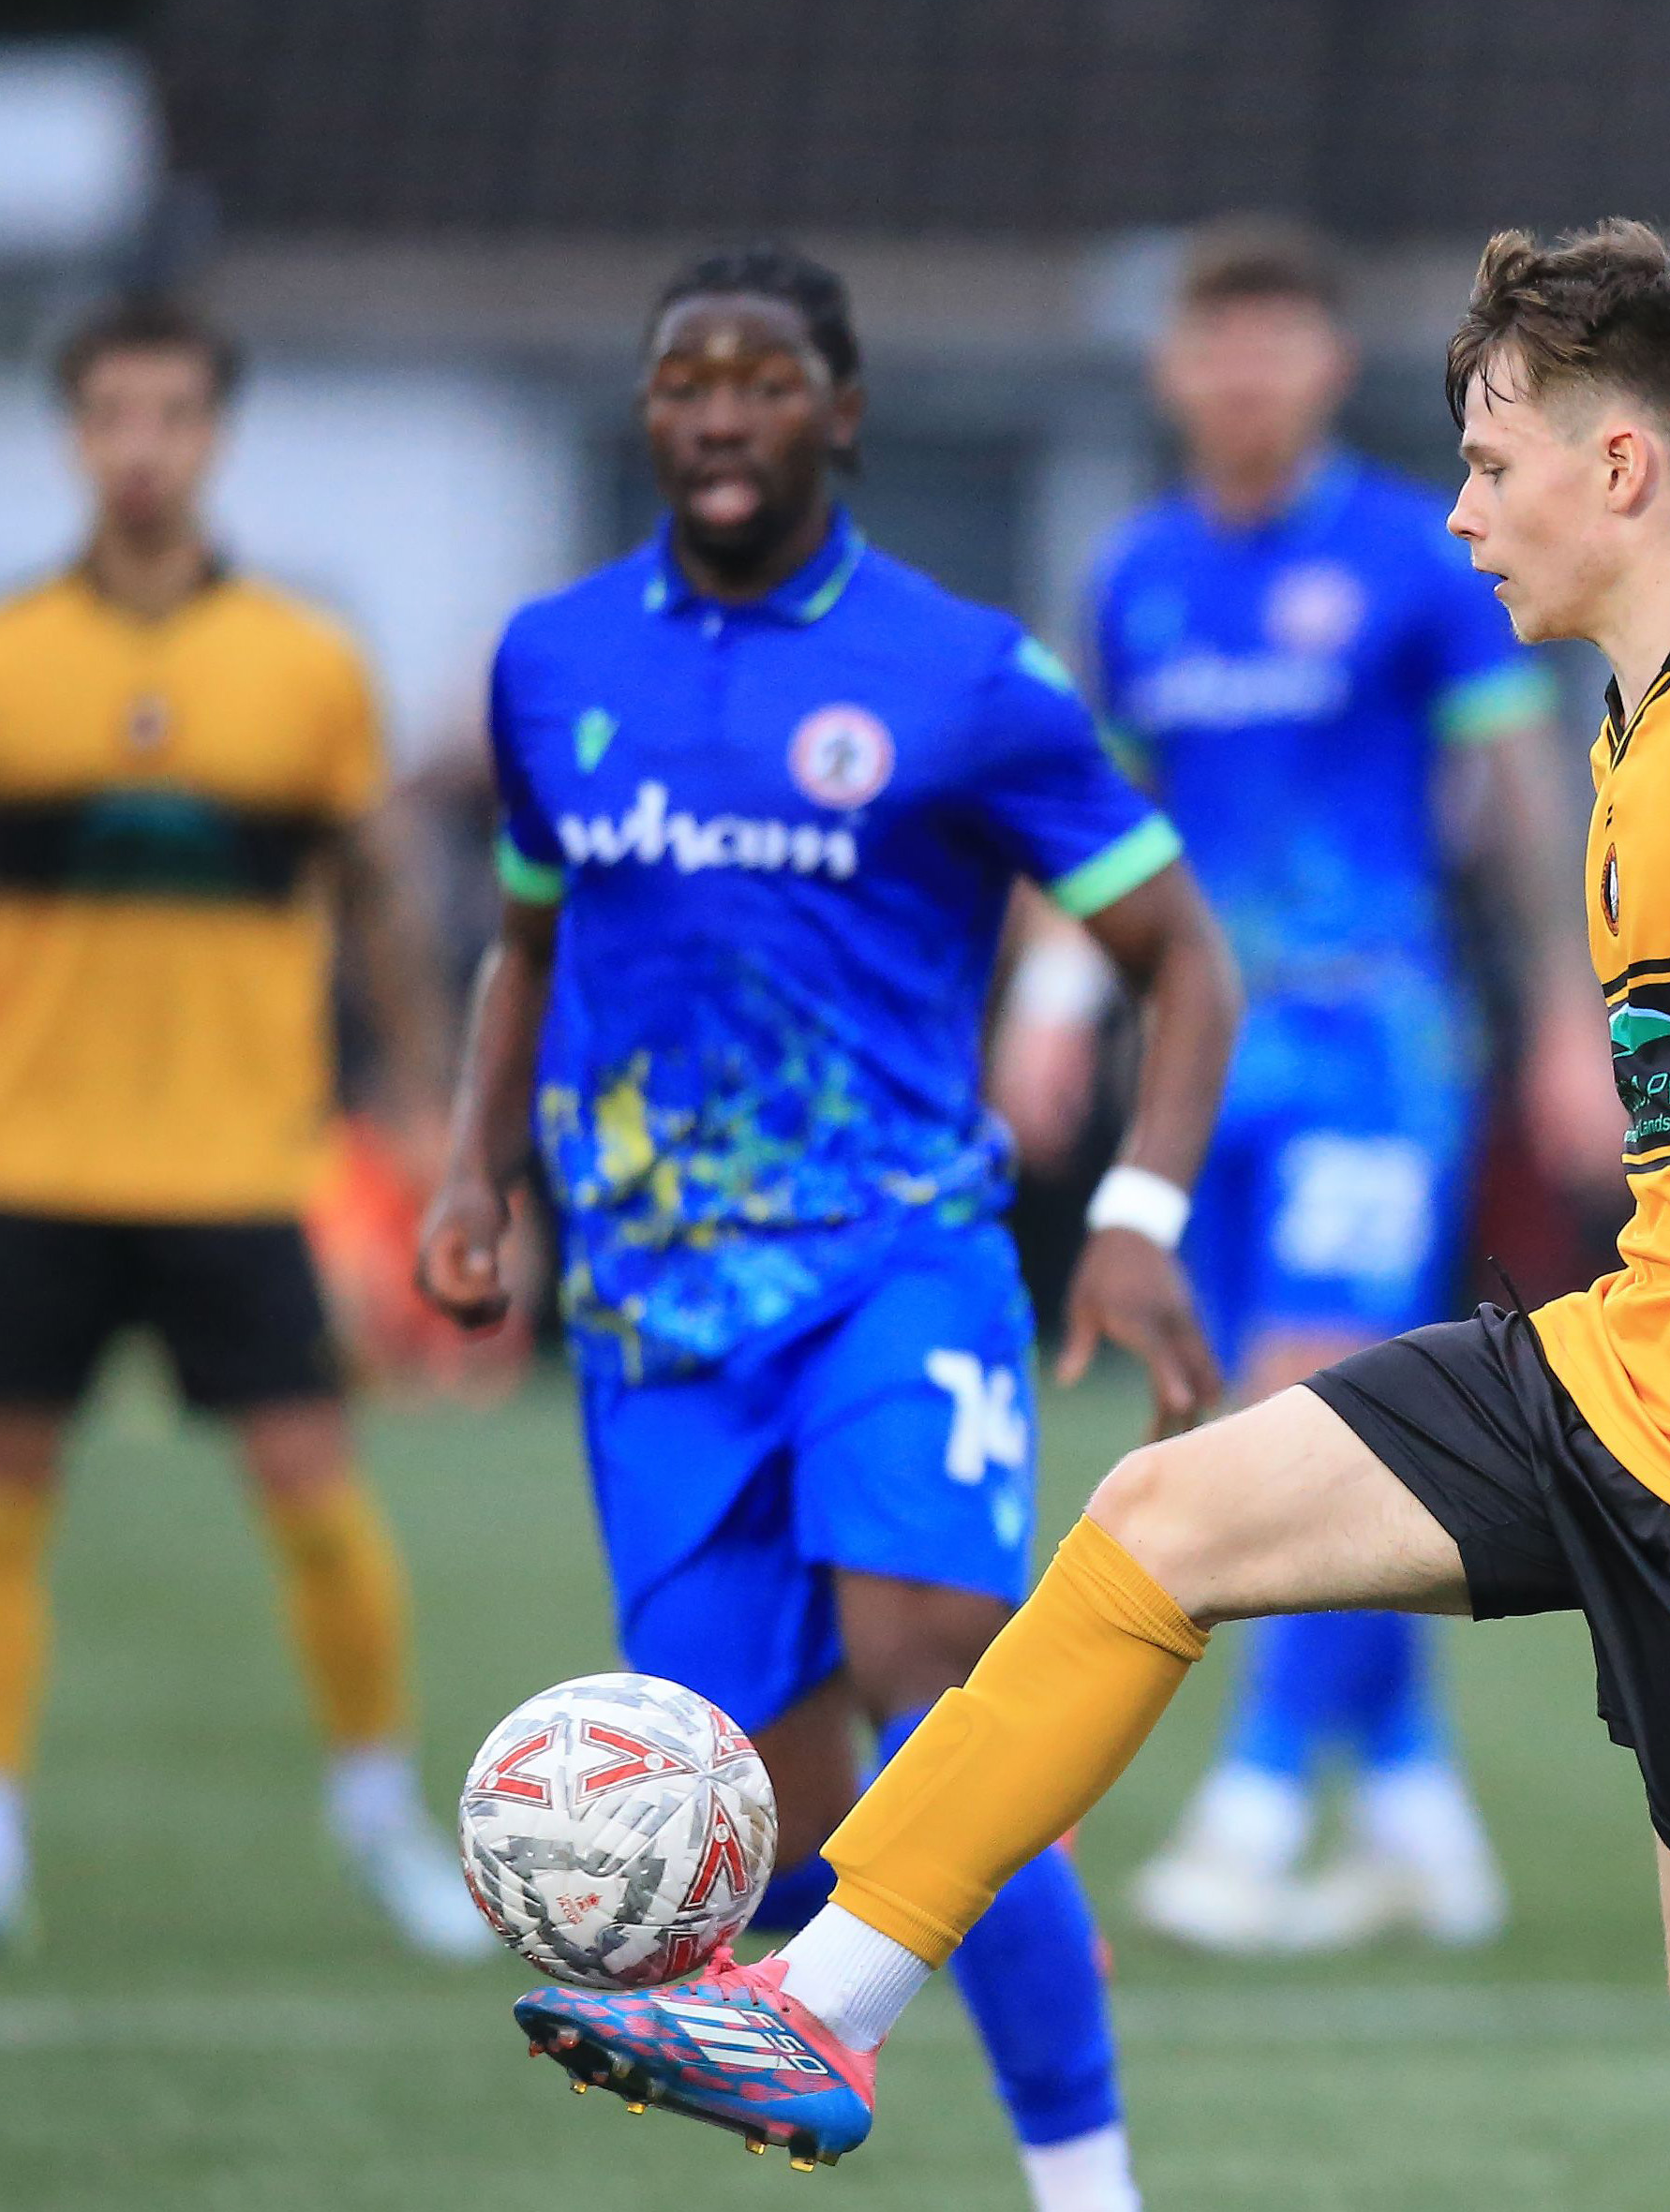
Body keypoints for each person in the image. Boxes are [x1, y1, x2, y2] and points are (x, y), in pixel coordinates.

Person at [512, 221, 1670, 2210]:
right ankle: (825, 2002)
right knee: (1158, 1521)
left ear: (1618, 468)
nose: (1459, 511)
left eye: (1488, 460)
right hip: (1636, 1365)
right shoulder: (1643, 716)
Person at [418, 245, 1240, 2212]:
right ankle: (846, 2020)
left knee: (937, 1675)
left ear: (842, 413)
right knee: (754, 1809)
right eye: (682, 379)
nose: (717, 412)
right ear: (646, 414)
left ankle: (1087, 2185)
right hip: (654, 1312)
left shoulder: (964, 673)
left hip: (898, 1253)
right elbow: (526, 945)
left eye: (762, 381)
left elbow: (1179, 956)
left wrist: (1131, 1213)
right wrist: (474, 1170)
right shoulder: (550, 661)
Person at [1009, 217, 1610, 1953]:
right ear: (1174, 370)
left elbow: (1514, 796)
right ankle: (1417, 1804)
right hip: (1203, 1067)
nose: (1248, 374)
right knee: (1242, 1428)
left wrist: (1568, 1019)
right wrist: (1052, 996)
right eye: (1220, 344)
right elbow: (1093, 824)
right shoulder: (1134, 574)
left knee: (1306, 1413)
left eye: (1281, 343)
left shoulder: (1418, 558)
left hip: (1378, 1049)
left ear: (1331, 369)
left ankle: (1259, 1807)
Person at [0, 296, 477, 1961]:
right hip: (26, 1160)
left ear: (215, 432)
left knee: (316, 1493)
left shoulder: (307, 667)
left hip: (243, 1165)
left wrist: (427, 1095)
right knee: (0, 1497)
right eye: (115, 414)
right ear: (74, 435)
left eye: (174, 412)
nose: (144, 445)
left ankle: (381, 1821)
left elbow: (378, 899)